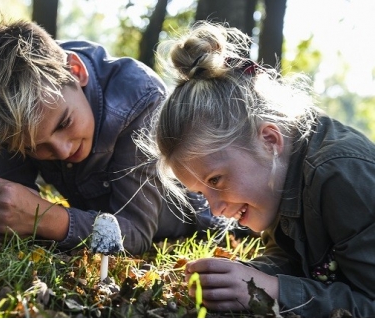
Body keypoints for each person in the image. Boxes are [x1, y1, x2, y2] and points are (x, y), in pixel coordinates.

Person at [143, 21, 375, 316]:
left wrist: (272, 290)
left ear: (269, 140)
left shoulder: (341, 175)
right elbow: (295, 254)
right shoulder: (275, 178)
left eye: (216, 179)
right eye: (201, 192)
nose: (215, 209)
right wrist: (248, 277)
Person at [0, 18, 218, 256]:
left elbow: (135, 233)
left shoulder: (140, 100)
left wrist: (43, 218)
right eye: (35, 147)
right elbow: (10, 208)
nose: (63, 150)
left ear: (76, 72)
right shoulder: (9, 108)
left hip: (206, 216)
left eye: (64, 123)